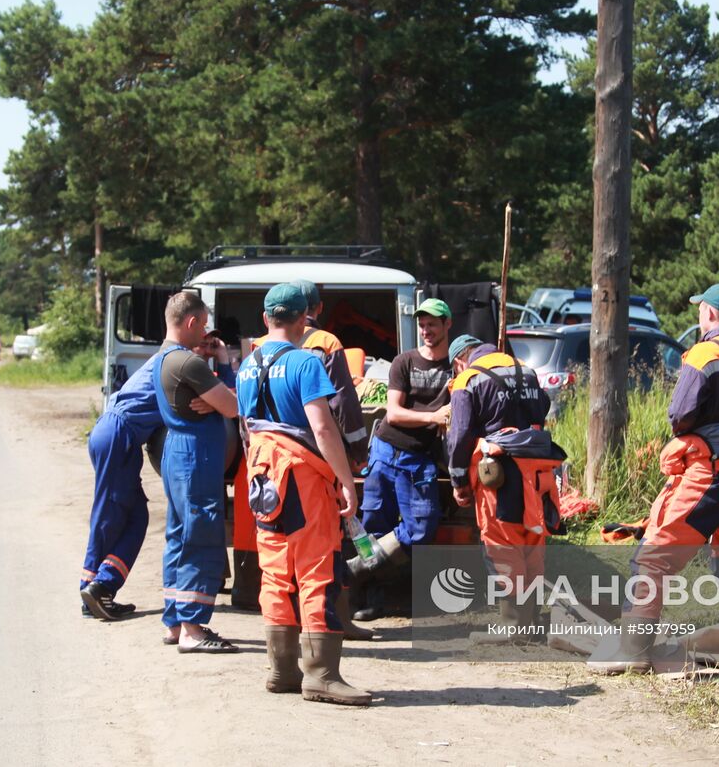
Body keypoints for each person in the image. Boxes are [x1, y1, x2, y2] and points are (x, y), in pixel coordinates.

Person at [589, 283, 719, 679]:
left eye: (700, 311)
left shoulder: (703, 355)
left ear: (709, 313)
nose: (698, 317)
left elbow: (680, 415)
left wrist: (708, 433)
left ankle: (636, 654)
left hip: (709, 473)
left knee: (652, 558)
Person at [237, 283, 370, 706]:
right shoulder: (305, 363)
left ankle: (281, 670)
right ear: (304, 319)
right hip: (303, 477)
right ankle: (322, 675)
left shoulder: (245, 366)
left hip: (262, 477)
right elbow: (323, 427)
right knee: (318, 569)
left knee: (275, 569)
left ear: (265, 319)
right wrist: (346, 479)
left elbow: (246, 428)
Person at [345, 299, 454, 620]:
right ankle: (373, 599)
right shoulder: (404, 362)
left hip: (420, 460)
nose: (426, 330)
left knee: (421, 528)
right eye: (422, 324)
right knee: (372, 527)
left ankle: (356, 571)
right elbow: (393, 412)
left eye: (433, 323)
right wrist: (434, 416)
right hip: (386, 450)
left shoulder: (456, 368)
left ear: (447, 324)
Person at [444, 334, 558, 641]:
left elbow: (459, 435)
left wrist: (458, 482)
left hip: (501, 476)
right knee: (532, 540)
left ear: (459, 361)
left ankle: (512, 627)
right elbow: (543, 407)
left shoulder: (469, 379)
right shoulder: (527, 370)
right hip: (538, 472)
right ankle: (531, 621)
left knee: (502, 545)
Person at [152, 291, 243, 653]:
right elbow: (234, 406)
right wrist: (223, 368)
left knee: (179, 534)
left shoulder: (163, 357)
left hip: (177, 451)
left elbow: (219, 404)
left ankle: (175, 621)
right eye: (203, 324)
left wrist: (215, 387)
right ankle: (193, 629)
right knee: (202, 534)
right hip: (195, 456)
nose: (205, 331)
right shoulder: (189, 363)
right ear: (190, 322)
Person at [79, 309, 173, 620]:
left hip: (120, 436)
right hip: (118, 433)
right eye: (202, 327)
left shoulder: (166, 355)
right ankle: (93, 588)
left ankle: (101, 587)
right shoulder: (175, 359)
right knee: (109, 514)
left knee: (136, 517)